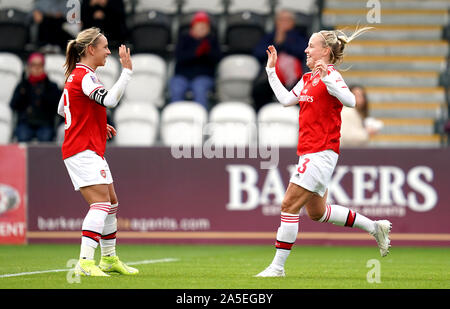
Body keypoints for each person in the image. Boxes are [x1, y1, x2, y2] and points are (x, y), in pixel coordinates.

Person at [255, 27, 392, 278]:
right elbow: (286, 100)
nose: (306, 50)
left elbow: (350, 100)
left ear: (325, 51)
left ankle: (277, 268)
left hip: (321, 153)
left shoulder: (331, 74)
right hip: (308, 152)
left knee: (288, 205)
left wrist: (328, 76)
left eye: (311, 46)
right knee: (317, 212)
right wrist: (270, 71)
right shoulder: (308, 78)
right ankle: (375, 227)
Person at [57, 27, 137, 277]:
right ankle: (85, 261)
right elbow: (110, 100)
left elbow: (63, 108)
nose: (107, 52)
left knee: (111, 202)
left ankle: (109, 259)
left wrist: (95, 122)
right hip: (82, 150)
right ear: (90, 49)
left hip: (86, 147)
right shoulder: (85, 76)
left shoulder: (76, 75)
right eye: (104, 47)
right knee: (101, 204)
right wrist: (126, 73)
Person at [251, 9, 308, 111]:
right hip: (270, 76)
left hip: (295, 78)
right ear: (276, 22)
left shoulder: (301, 37)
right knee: (259, 91)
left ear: (293, 22)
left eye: (287, 20)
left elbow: (303, 52)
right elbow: (258, 53)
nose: (284, 22)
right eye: (281, 20)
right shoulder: (269, 37)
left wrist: (283, 43)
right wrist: (277, 42)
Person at [169, 11, 222, 109]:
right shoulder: (184, 39)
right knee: (176, 88)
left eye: (205, 26)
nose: (202, 28)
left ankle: (200, 117)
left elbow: (217, 59)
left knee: (199, 88)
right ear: (193, 27)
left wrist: (208, 52)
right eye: (199, 25)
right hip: (183, 76)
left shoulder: (212, 40)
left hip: (204, 76)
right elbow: (179, 57)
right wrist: (196, 53)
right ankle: (174, 116)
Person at [10, 52, 61, 142]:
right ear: (29, 67)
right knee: (23, 137)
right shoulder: (23, 85)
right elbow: (13, 104)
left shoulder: (51, 86)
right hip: (26, 122)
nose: (37, 68)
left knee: (45, 139)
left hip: (45, 122)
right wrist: (23, 92)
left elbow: (58, 107)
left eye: (39, 65)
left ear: (43, 67)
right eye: (33, 65)